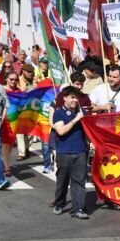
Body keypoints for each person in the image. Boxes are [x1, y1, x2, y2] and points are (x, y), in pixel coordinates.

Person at [52, 86, 89, 219]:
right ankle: (59, 203)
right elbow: (60, 131)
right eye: (72, 97)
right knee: (62, 181)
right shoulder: (59, 113)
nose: (75, 100)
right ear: (65, 98)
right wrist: (75, 120)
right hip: (64, 153)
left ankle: (78, 208)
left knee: (79, 182)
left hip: (80, 152)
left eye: (76, 97)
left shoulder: (81, 112)